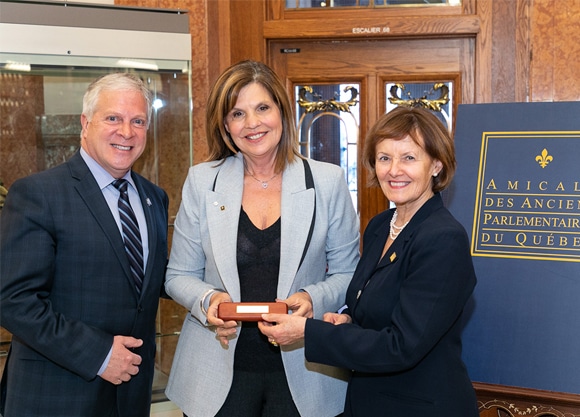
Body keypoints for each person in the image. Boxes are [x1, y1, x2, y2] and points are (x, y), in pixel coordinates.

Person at [164, 60, 360, 417]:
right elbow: (178, 275)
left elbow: (349, 273)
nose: (252, 123)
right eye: (237, 114)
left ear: (281, 112)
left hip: (307, 372)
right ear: (225, 125)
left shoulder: (327, 181)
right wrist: (208, 300)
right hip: (215, 373)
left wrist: (312, 297)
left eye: (262, 108)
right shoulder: (202, 181)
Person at [259, 106, 479, 416]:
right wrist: (348, 320)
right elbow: (376, 310)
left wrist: (309, 332)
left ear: (436, 165)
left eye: (409, 158)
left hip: (419, 407)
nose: (394, 170)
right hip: (367, 400)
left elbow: (401, 346)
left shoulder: (443, 239)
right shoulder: (380, 225)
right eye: (384, 158)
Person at [0, 73, 169, 417]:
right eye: (113, 118)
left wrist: (211, 298)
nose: (127, 132)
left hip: (131, 396)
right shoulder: (38, 194)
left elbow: (154, 281)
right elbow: (13, 301)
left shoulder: (154, 198)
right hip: (56, 397)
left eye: (138, 121)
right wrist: (100, 355)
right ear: (85, 123)